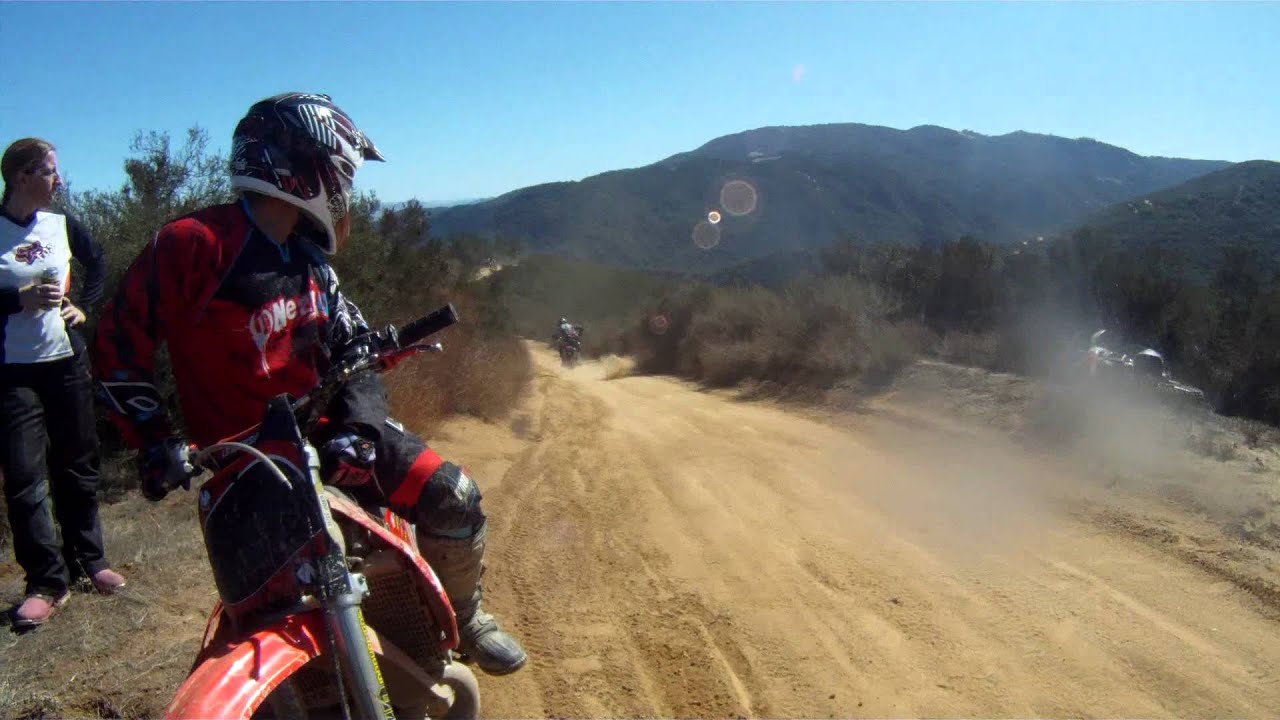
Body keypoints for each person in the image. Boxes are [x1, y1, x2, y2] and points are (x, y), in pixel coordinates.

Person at [92, 93, 526, 675]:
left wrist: (362, 427)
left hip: (326, 436)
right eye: (343, 170)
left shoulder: (312, 262)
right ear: (306, 163)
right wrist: (153, 441)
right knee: (271, 613)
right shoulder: (194, 244)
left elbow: (355, 350)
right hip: (244, 465)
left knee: (455, 494)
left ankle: (465, 615)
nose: (346, 187)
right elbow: (117, 344)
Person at [1, 137, 124, 629]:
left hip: (66, 362)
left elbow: (98, 264)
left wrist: (84, 307)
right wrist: (17, 300)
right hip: (12, 372)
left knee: (78, 462)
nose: (60, 180)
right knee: (26, 476)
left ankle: (89, 562)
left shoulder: (63, 224)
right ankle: (46, 583)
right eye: (52, 171)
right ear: (23, 176)